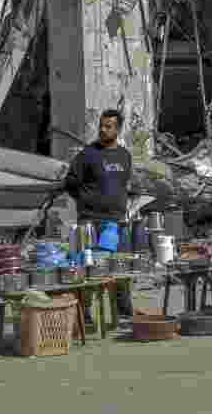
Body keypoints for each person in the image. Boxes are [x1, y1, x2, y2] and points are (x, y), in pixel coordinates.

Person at [63, 108, 133, 317]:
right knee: (87, 268)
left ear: (118, 129)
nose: (103, 130)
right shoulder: (87, 155)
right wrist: (86, 201)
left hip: (116, 222)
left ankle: (123, 311)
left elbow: (123, 184)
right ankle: (84, 313)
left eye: (108, 126)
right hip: (90, 222)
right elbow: (70, 182)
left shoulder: (124, 156)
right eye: (101, 126)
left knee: (121, 266)